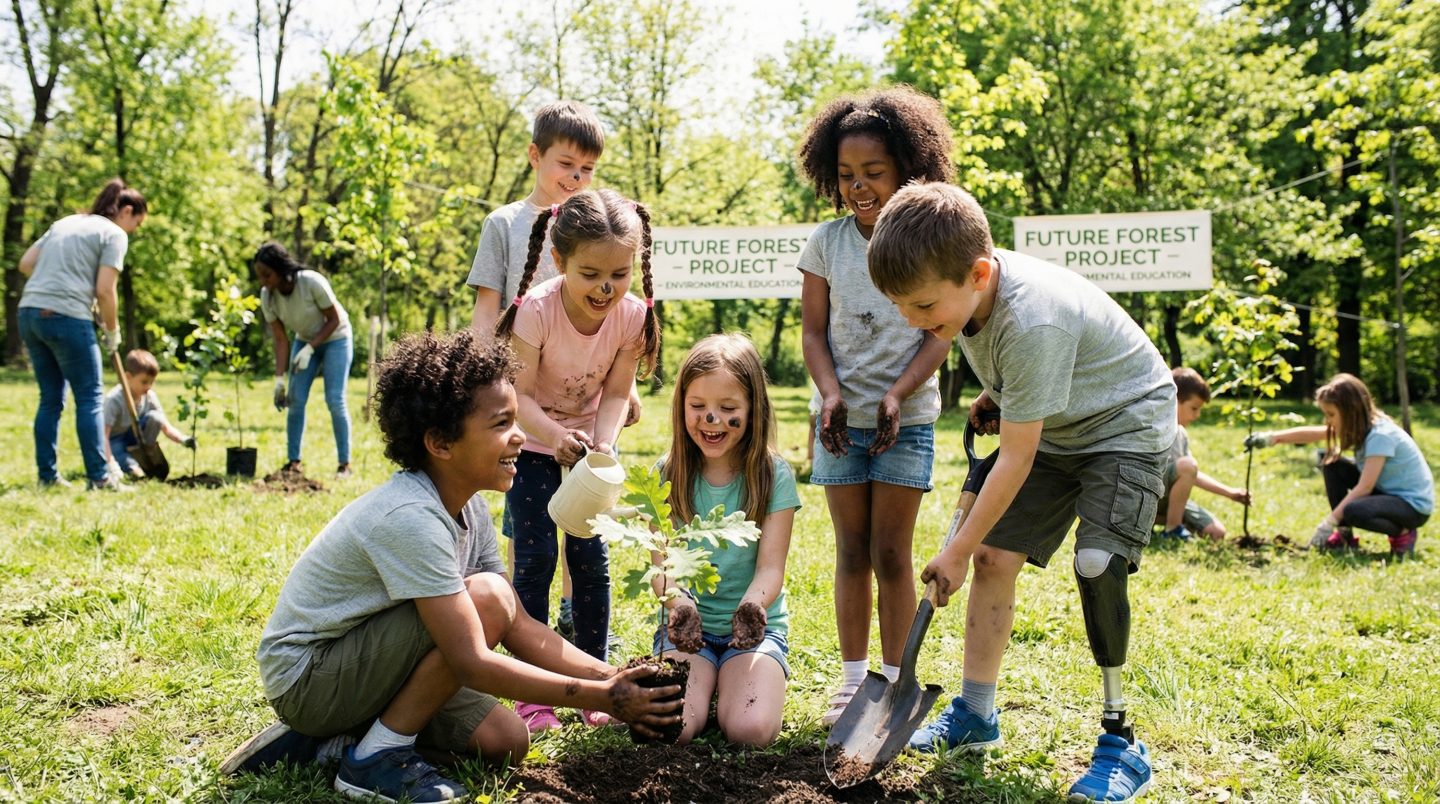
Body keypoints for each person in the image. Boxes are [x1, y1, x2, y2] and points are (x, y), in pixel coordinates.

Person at [222, 329, 681, 803]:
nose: (520, 436)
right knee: (484, 596)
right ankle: (374, 759)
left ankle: (341, 740)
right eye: (501, 424)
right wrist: (601, 699)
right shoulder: (411, 517)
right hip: (310, 678)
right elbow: (471, 658)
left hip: (370, 669)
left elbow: (518, 625)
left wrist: (614, 676)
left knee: (506, 742)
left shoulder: (470, 507)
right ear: (441, 443)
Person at [870, 183, 1175, 802]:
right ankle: (977, 715)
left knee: (1097, 563)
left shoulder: (1035, 317)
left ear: (979, 273)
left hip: (1126, 424)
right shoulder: (969, 293)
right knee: (993, 557)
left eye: (922, 306)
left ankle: (1123, 741)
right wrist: (1000, 395)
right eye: (901, 307)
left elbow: (1017, 454)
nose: (914, 320)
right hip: (1058, 424)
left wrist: (951, 551)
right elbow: (1020, 388)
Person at [795, 86, 955, 726]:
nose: (859, 187)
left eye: (874, 173)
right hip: (838, 425)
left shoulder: (926, 239)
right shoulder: (827, 244)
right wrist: (831, 393)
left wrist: (896, 394)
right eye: (846, 175)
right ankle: (854, 680)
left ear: (908, 169)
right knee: (851, 551)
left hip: (904, 424)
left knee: (893, 553)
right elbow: (812, 332)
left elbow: (940, 331)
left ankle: (895, 681)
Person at [466, 101, 639, 633]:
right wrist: (488, 385)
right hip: (524, 392)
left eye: (587, 169)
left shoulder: (601, 226)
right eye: (567, 165)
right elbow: (486, 309)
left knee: (584, 540)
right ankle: (528, 629)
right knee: (530, 533)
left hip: (585, 389)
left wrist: (619, 393)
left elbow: (618, 348)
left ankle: (570, 619)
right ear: (535, 157)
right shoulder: (507, 225)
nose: (576, 177)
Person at [494, 188, 662, 732]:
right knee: (537, 560)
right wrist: (554, 434)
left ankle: (597, 688)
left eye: (619, 273)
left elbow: (616, 392)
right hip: (536, 445)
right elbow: (517, 397)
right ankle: (533, 695)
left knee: (590, 562)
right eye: (591, 274)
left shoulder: (632, 318)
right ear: (560, 261)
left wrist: (604, 440)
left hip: (590, 453)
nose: (606, 288)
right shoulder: (536, 311)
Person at [654, 334, 800, 746]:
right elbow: (662, 568)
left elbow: (771, 567)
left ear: (753, 410)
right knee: (674, 730)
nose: (711, 420)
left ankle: (733, 685)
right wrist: (681, 605)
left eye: (728, 408)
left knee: (749, 730)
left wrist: (751, 609)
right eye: (698, 407)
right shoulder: (665, 476)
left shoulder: (774, 476)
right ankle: (706, 685)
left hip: (753, 632)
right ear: (681, 405)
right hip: (686, 634)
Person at [17, 178, 147, 491]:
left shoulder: (66, 223)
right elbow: (105, 290)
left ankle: (47, 477)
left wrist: (58, 280)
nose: (134, 230)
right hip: (66, 317)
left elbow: (25, 264)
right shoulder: (113, 233)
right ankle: (100, 478)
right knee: (89, 398)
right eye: (137, 223)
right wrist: (112, 331)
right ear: (126, 211)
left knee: (50, 400)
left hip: (29, 312)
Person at [1246, 373, 1433, 557]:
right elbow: (1316, 433)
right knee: (1332, 465)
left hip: (1411, 506)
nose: (1327, 421)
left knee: (1353, 511)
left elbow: (1365, 488)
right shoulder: (1361, 425)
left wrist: (1328, 523)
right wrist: (1273, 438)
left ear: (1350, 411)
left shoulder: (1380, 436)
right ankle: (1344, 537)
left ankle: (1403, 533)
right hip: (1387, 493)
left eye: (1331, 414)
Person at [253, 242, 353, 477]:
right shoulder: (268, 297)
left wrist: (310, 349)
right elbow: (280, 339)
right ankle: (293, 462)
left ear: (280, 269)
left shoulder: (311, 282)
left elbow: (333, 320)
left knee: (335, 399)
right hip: (305, 340)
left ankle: (344, 464)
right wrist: (279, 379)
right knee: (295, 400)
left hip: (336, 338)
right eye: (260, 276)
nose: (263, 281)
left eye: (267, 275)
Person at [1154, 367, 1250, 540]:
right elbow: (1187, 469)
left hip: (1168, 501)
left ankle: (1164, 521)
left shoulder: (1181, 433)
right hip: (1149, 496)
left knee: (1216, 533)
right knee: (1187, 465)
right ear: (1174, 400)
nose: (1197, 415)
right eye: (1194, 408)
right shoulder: (1154, 427)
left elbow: (1192, 473)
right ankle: (1172, 529)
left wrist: (1230, 493)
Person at [103, 348, 196, 479]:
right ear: (128, 377)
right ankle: (132, 465)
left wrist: (184, 439)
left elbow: (165, 426)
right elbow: (103, 436)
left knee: (155, 418)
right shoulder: (114, 400)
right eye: (144, 382)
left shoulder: (149, 396)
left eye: (152, 382)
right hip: (114, 441)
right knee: (133, 470)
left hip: (135, 438)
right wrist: (110, 462)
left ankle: (145, 456)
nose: (149, 386)